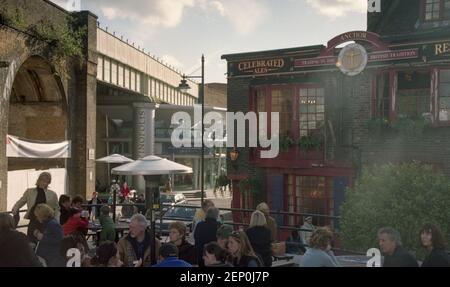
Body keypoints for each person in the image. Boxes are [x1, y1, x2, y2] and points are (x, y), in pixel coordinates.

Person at [12, 172, 60, 243]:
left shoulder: (52, 194)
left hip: (46, 221)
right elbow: (21, 201)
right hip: (33, 219)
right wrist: (15, 208)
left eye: (46, 181)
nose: (44, 183)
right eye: (42, 180)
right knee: (30, 241)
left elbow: (57, 209)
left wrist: (56, 220)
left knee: (43, 241)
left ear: (48, 183)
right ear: (38, 180)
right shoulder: (29, 192)